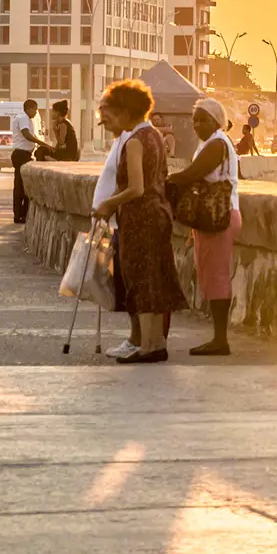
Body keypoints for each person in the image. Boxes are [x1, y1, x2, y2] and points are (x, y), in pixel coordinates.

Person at [91, 80, 184, 364]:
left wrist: (108, 203)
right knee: (155, 279)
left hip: (140, 217)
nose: (107, 119)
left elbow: (136, 188)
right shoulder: (154, 135)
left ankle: (147, 347)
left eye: (111, 113)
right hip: (158, 214)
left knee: (140, 279)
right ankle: (155, 343)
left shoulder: (133, 141)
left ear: (125, 112)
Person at [167, 97, 240, 356]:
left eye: (202, 119)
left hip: (220, 216)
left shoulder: (218, 143)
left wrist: (165, 181)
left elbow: (192, 174)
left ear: (216, 121)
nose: (196, 124)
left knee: (217, 276)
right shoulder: (210, 143)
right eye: (194, 119)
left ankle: (220, 339)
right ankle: (218, 337)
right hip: (210, 217)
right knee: (209, 276)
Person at [10, 98, 41, 223]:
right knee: (20, 187)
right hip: (21, 154)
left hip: (24, 154)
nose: (36, 112)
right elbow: (27, 135)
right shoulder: (23, 118)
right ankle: (19, 215)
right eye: (35, 109)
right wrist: (42, 143)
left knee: (23, 186)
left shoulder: (26, 119)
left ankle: (21, 214)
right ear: (30, 108)